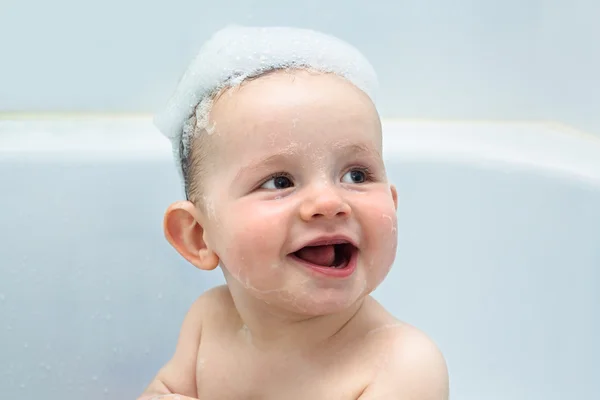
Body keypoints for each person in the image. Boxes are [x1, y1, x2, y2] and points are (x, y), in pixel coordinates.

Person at [138, 25, 448, 400]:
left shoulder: (402, 365)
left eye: (356, 175)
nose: (329, 202)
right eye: (279, 182)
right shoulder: (210, 321)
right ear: (199, 237)